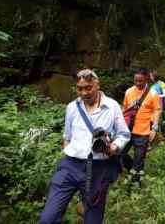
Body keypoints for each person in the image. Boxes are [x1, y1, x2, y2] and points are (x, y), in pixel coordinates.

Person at [38, 69, 131, 224]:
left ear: (97, 85)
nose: (84, 93)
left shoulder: (112, 106)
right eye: (80, 88)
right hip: (70, 166)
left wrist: (113, 147)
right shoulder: (72, 107)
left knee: (93, 218)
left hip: (98, 168)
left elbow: (124, 134)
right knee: (48, 218)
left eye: (88, 88)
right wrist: (71, 151)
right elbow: (67, 137)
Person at [121, 68, 161, 186]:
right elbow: (124, 109)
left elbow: (157, 110)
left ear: (146, 79)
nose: (138, 83)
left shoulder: (153, 93)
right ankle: (132, 169)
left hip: (143, 132)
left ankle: (135, 184)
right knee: (120, 154)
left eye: (141, 81)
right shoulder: (129, 92)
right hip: (128, 130)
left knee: (139, 159)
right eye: (136, 81)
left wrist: (154, 128)